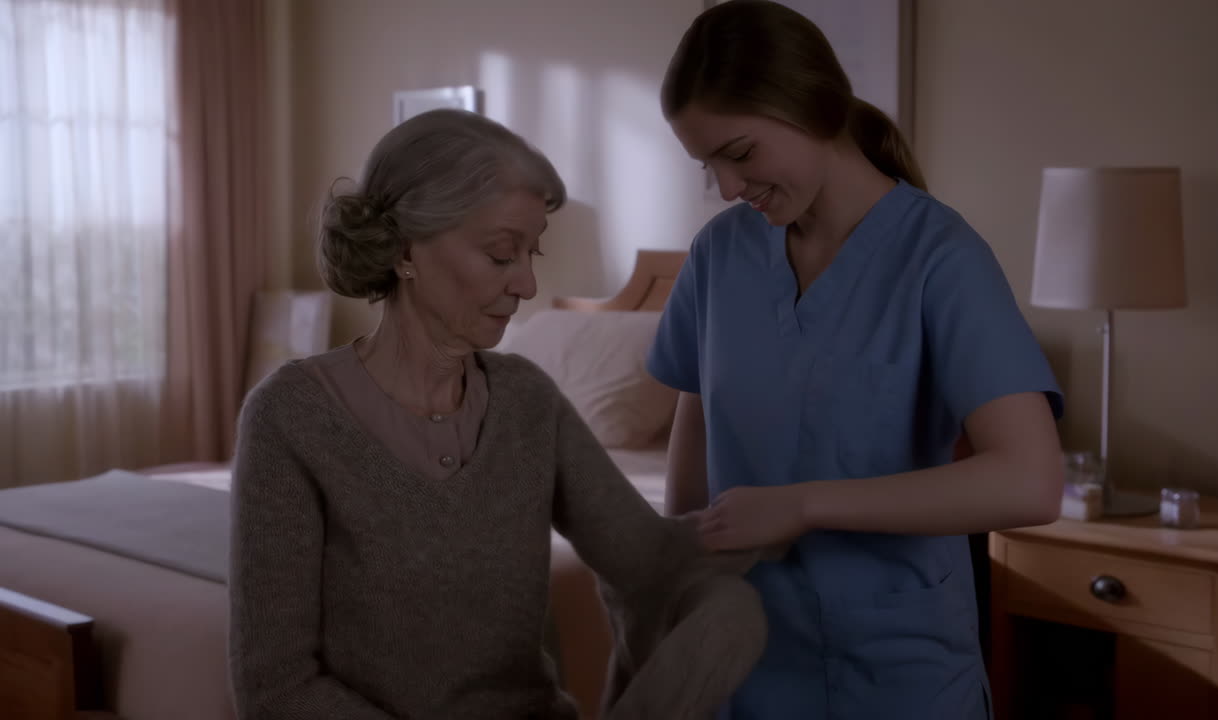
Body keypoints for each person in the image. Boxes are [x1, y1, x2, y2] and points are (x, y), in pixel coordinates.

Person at [227, 108, 766, 720]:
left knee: (732, 613)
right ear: (407, 249)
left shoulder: (526, 399)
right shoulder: (289, 417)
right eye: (501, 254)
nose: (528, 286)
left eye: (531, 253)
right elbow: (276, 689)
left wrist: (780, 515)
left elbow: (645, 559)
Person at [646, 2, 1066, 718]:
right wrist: (679, 578)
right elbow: (699, 425)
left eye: (740, 153)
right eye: (707, 165)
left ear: (813, 108)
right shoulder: (718, 256)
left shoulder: (942, 260)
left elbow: (1031, 482)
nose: (727, 187)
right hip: (742, 664)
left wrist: (803, 507)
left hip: (896, 669)